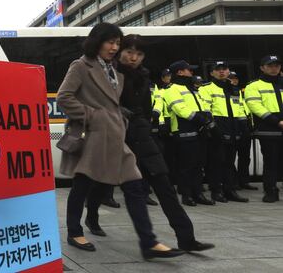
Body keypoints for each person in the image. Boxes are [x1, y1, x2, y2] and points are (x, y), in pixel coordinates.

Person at [57, 23, 183, 259]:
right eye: (110, 42)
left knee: (134, 185)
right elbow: (64, 97)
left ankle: (148, 242)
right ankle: (74, 231)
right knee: (82, 184)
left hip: (116, 135)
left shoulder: (114, 68)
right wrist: (95, 116)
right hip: (92, 135)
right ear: (97, 41)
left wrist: (120, 116)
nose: (115, 47)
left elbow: (115, 99)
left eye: (117, 43)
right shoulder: (81, 65)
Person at [85, 35, 213, 252]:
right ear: (119, 52)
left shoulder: (144, 76)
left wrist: (145, 127)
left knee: (164, 185)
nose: (134, 58)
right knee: (106, 182)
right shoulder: (107, 74)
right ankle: (93, 217)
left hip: (143, 136)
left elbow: (145, 109)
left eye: (139, 54)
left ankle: (186, 238)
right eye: (129, 52)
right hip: (116, 137)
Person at [162, 60, 214, 207]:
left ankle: (198, 194)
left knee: (198, 165)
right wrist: (200, 119)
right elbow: (180, 109)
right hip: (184, 131)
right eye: (189, 70)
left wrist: (208, 116)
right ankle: (187, 195)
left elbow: (203, 104)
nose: (192, 72)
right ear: (180, 72)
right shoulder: (172, 89)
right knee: (186, 166)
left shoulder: (192, 87)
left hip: (199, 130)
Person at [198, 62, 249, 202]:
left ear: (228, 71)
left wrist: (243, 127)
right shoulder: (206, 88)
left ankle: (230, 190)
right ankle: (216, 191)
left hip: (233, 128)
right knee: (216, 162)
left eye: (224, 69)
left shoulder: (234, 89)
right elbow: (205, 109)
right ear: (212, 73)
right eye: (218, 69)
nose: (221, 72)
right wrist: (212, 127)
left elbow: (240, 109)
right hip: (217, 128)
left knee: (230, 162)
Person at [244, 55, 283, 202]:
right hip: (269, 131)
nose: (274, 68)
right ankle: (270, 191)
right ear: (262, 68)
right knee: (271, 162)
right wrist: (277, 122)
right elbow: (255, 107)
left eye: (277, 65)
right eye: (270, 65)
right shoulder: (253, 86)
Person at [231, 72, 257, 191]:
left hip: (245, 128)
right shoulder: (227, 92)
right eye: (231, 78)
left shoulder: (243, 92)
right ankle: (234, 182)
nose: (234, 80)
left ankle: (244, 181)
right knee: (230, 158)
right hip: (234, 127)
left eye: (236, 78)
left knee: (245, 157)